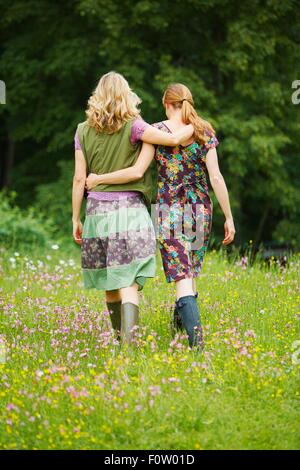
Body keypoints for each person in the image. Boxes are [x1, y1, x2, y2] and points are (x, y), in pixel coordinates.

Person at [85, 83, 235, 349]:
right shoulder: (204, 130)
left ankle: (197, 347)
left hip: (169, 210)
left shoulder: (156, 132)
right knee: (190, 272)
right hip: (200, 209)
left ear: (167, 103)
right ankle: (181, 328)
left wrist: (99, 179)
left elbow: (138, 169)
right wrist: (229, 217)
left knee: (183, 277)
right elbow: (216, 176)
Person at [72, 73, 194, 345]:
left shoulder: (81, 130)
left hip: (96, 212)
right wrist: (194, 126)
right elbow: (173, 141)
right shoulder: (135, 127)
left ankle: (118, 340)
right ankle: (129, 348)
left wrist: (74, 218)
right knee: (129, 282)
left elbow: (80, 178)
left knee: (110, 283)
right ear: (126, 95)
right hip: (129, 211)